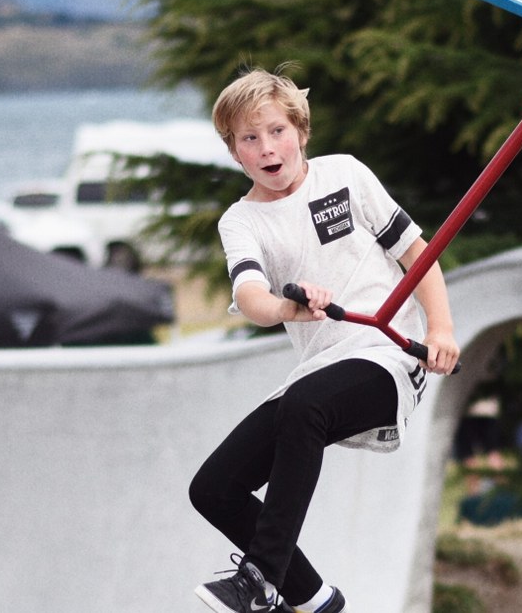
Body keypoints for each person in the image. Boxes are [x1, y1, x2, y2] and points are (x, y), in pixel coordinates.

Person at [190, 66, 460, 613]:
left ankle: (260, 577)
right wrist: (290, 305)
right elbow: (251, 297)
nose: (267, 148)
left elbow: (419, 256)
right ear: (234, 151)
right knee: (213, 487)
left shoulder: (346, 175)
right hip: (319, 371)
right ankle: (314, 600)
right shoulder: (240, 222)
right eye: (250, 138)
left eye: (276, 131)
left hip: (387, 355)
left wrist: (441, 329)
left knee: (305, 407)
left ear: (301, 132)